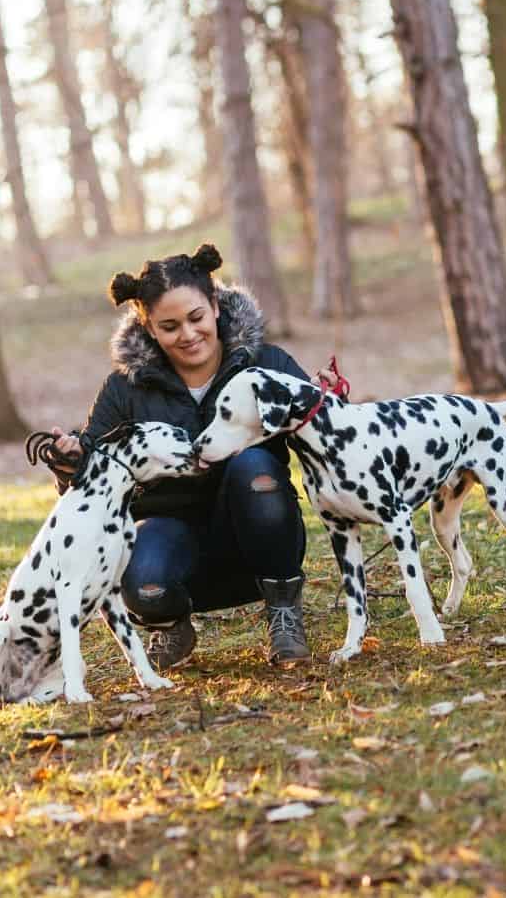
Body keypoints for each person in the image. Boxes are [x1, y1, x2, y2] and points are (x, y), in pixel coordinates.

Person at [47, 244, 314, 668]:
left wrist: (337, 416)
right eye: (169, 326)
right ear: (149, 328)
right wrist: (70, 463)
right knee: (144, 578)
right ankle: (170, 623)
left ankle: (283, 610)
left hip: (262, 533)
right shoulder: (125, 389)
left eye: (196, 318)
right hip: (169, 538)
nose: (188, 335)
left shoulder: (265, 363)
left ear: (215, 306)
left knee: (255, 468)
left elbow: (319, 429)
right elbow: (91, 482)